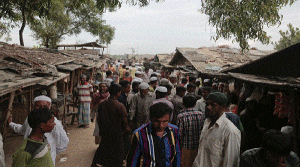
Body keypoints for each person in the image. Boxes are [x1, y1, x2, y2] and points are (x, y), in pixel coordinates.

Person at [8, 95, 69, 166]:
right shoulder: (30, 119)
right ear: (33, 106)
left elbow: (63, 143)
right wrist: (11, 124)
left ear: (50, 107)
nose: (41, 109)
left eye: (45, 107)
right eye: (38, 106)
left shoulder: (53, 124)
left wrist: (49, 152)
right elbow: (22, 129)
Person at [193, 92, 241, 167]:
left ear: (223, 107)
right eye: (207, 104)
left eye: (213, 105)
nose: (208, 107)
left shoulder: (230, 131)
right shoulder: (207, 123)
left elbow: (230, 163)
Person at [126, 102, 181, 167]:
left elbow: (177, 155)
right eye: (157, 121)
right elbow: (133, 160)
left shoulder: (174, 131)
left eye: (165, 121)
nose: (161, 126)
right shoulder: (140, 134)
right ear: (151, 119)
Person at [91, 83, 131, 167]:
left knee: (104, 149)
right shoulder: (120, 106)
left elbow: (99, 119)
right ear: (118, 93)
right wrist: (125, 130)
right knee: (118, 153)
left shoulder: (102, 104)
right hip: (116, 134)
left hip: (105, 133)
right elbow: (125, 123)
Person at [177, 95, 205, 167]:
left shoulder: (181, 116)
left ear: (183, 104)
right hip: (198, 145)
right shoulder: (201, 114)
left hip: (185, 146)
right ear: (195, 104)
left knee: (185, 164)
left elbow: (179, 133)